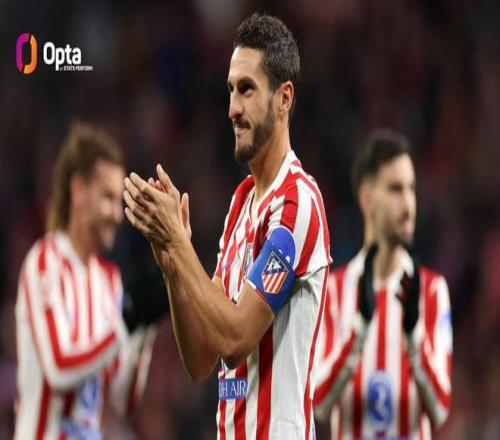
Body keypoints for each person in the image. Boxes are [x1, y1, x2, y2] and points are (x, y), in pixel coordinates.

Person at [123, 12, 332, 439]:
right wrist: (174, 271)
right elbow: (202, 360)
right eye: (231, 90)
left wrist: (181, 244)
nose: (233, 108)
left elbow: (236, 340)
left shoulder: (296, 205)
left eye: (247, 89)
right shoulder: (241, 204)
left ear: (284, 98)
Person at [14, 122, 167, 439]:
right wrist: (125, 322)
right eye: (107, 197)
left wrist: (144, 327)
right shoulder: (45, 263)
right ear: (78, 190)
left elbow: (122, 400)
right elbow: (59, 367)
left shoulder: (109, 282)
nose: (116, 215)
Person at [313, 130, 452, 439]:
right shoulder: (332, 292)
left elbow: (441, 409)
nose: (409, 204)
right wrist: (358, 330)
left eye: (411, 189)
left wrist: (414, 337)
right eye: (395, 189)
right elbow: (318, 405)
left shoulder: (432, 290)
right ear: (367, 200)